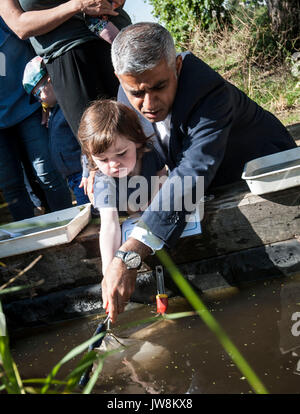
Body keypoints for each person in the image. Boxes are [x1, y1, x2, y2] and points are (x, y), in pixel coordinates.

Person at [100, 22, 297, 323]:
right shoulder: (128, 93)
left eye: (159, 87)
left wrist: (130, 253)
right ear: (120, 79)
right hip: (212, 182)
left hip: (265, 173)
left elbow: (192, 172)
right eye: (137, 93)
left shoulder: (209, 91)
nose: (148, 104)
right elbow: (138, 146)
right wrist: (101, 177)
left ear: (177, 65)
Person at [0, 0, 129, 136]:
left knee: (143, 130)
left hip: (116, 41)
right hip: (68, 59)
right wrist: (77, 5)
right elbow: (20, 26)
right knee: (103, 142)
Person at [77, 99, 167, 278]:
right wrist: (109, 272)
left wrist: (156, 196)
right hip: (121, 215)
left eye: (121, 154)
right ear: (92, 159)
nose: (114, 164)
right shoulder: (104, 180)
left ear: (138, 141)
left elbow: (161, 172)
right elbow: (110, 225)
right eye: (102, 159)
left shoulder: (149, 153)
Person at [0, 18, 72, 221]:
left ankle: (66, 224)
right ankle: (26, 244)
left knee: (47, 174)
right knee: (11, 185)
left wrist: (45, 99)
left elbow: (36, 48)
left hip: (29, 107)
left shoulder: (5, 15)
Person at [22, 55, 90, 206]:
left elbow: (86, 143)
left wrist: (88, 171)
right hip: (72, 177)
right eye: (35, 96)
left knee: (90, 211)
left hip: (82, 175)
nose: (39, 100)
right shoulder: (53, 111)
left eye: (38, 92)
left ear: (51, 80)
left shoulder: (69, 109)